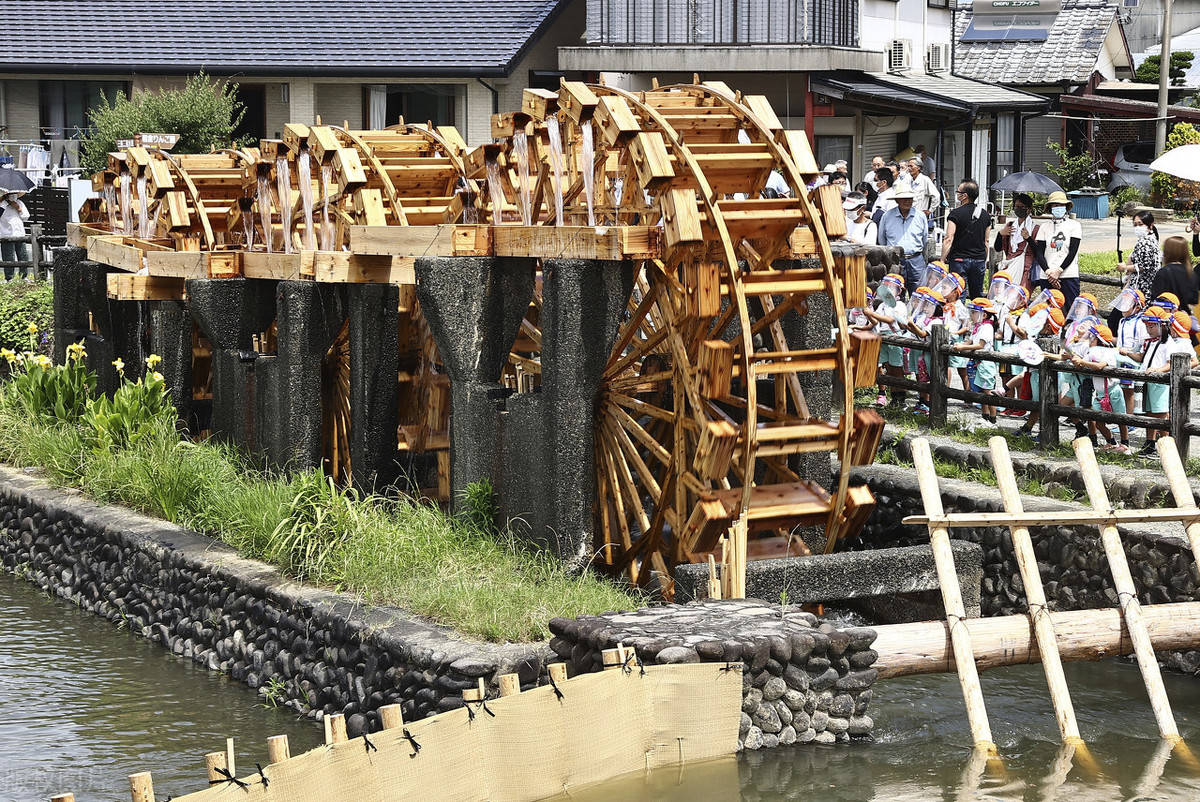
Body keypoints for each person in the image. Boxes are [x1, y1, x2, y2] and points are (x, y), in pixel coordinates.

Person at [942, 179, 993, 300]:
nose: (957, 194)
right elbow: (986, 241)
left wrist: (942, 259)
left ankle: (959, 318)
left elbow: (949, 238)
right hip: (978, 259)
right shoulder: (985, 215)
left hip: (959, 259)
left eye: (958, 191)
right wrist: (984, 259)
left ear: (964, 196)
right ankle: (979, 317)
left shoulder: (955, 214)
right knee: (977, 295)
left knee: (958, 294)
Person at [864, 273, 909, 408]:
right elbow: (875, 321)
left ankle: (900, 397)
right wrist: (868, 314)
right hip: (882, 336)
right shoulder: (882, 305)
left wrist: (872, 314)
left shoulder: (899, 305)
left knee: (897, 369)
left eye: (892, 287)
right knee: (888, 368)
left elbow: (891, 320)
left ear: (899, 290)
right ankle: (893, 396)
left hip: (894, 337)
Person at [953, 297, 1000, 423]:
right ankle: (985, 416)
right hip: (977, 363)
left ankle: (993, 419)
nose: (971, 315)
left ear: (983, 314)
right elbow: (971, 340)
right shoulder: (979, 327)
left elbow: (980, 345)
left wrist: (963, 347)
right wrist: (961, 344)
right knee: (979, 390)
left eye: (974, 312)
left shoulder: (987, 328)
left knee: (987, 391)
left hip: (985, 364)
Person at [1035, 191, 1083, 312]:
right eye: (1055, 205)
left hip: (1068, 274)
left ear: (1066, 207)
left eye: (1060, 205)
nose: (1058, 208)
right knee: (1049, 311)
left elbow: (1072, 251)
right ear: (1050, 207)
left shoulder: (1075, 225)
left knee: (1071, 310)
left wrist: (1059, 271)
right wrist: (1049, 272)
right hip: (1047, 275)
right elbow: (1039, 252)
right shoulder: (1044, 227)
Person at [1113, 287, 1148, 451]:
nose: (1123, 308)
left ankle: (1129, 419)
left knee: (1129, 390)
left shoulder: (1140, 321)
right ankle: (1123, 419)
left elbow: (1141, 342)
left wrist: (1131, 353)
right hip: (1121, 357)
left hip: (1132, 358)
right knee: (1121, 389)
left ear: (1137, 306)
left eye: (1128, 305)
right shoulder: (1122, 321)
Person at [993, 193, 1048, 292]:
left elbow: (1039, 252)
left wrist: (1028, 238)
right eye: (1017, 206)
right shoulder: (1010, 226)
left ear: (1029, 209)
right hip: (1009, 266)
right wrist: (1001, 234)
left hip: (1026, 271)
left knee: (1019, 297)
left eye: (1022, 207)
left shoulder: (1035, 229)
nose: (1019, 209)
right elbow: (997, 247)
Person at [877, 187, 928, 291]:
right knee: (894, 292)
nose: (907, 201)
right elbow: (881, 239)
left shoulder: (920, 216)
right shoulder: (887, 216)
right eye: (904, 198)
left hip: (916, 260)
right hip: (895, 260)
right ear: (896, 200)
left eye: (910, 198)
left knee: (919, 292)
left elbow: (925, 239)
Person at [1149, 235, 1198, 316]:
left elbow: (1156, 299)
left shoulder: (1163, 272)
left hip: (1167, 318)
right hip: (1185, 319)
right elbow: (1194, 300)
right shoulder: (1191, 273)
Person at [0, 191, 31, 282]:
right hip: (6, 234)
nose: (14, 195)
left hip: (20, 233)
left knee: (23, 255)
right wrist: (5, 204)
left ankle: (23, 276)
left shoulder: (20, 203)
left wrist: (18, 208)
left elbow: (26, 216)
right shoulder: (2, 204)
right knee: (8, 256)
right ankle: (9, 277)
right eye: (11, 194)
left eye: (15, 194)